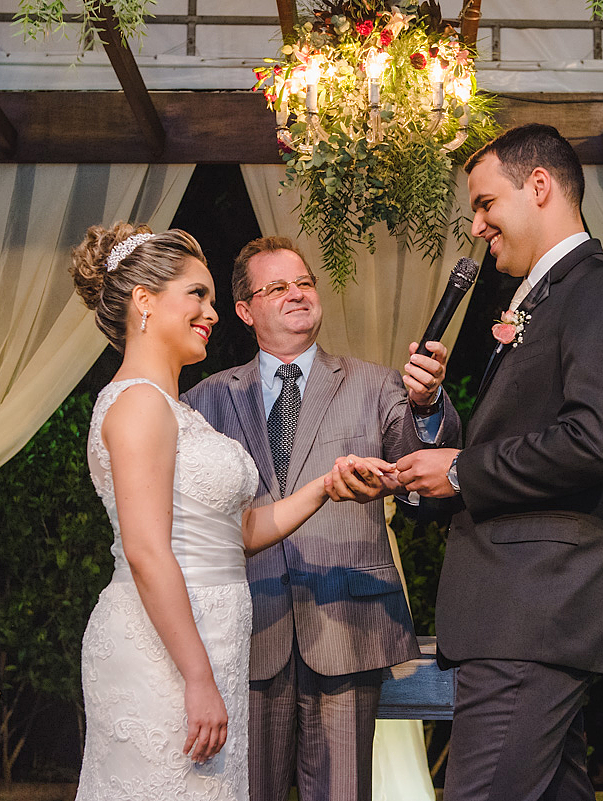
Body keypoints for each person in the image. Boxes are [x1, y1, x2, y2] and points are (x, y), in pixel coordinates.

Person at [68, 223, 394, 801]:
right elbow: (146, 551)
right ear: (144, 301)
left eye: (213, 300)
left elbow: (237, 531)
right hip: (167, 651)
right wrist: (197, 677)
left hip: (214, 640)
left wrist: (323, 486)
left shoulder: (175, 410)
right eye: (197, 295)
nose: (211, 313)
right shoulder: (140, 405)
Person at [394, 123, 603, 800]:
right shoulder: (541, 298)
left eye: (485, 203)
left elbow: (596, 439)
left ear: (539, 185)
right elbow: (520, 435)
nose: (478, 224)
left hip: (534, 610)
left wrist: (460, 469)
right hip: (520, 614)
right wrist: (438, 419)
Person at [181, 236, 461, 801]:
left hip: (348, 622)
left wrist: (428, 407)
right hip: (248, 626)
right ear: (245, 310)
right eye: (277, 286)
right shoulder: (204, 400)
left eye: (304, 282)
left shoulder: (378, 384)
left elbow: (425, 487)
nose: (296, 294)